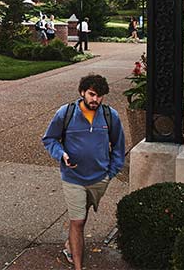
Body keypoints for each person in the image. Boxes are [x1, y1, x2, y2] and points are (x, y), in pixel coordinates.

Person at [42, 74, 125, 270]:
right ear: (82, 93)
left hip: (99, 178)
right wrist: (61, 154)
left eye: (100, 96)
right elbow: (49, 139)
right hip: (73, 178)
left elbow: (119, 147)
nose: (95, 99)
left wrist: (110, 173)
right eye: (92, 94)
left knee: (82, 214)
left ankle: (70, 244)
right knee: (78, 221)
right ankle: (78, 265)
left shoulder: (109, 116)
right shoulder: (66, 113)